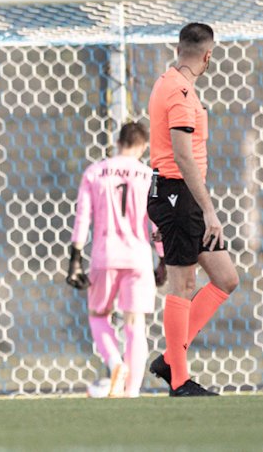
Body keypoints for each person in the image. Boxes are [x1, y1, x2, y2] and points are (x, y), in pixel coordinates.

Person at [145, 22, 240, 397]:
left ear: (178, 48)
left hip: (177, 196)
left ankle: (171, 359)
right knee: (183, 285)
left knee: (226, 278)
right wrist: (209, 211)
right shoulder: (181, 93)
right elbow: (182, 157)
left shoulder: (167, 82)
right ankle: (180, 380)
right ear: (208, 55)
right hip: (178, 193)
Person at [66, 122, 166, 398]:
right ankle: (131, 392)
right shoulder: (149, 176)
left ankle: (114, 363)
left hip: (105, 255)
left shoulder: (94, 172)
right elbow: (156, 222)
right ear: (143, 147)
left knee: (98, 315)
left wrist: (75, 259)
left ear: (118, 142)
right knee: (135, 324)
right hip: (138, 257)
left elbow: (82, 218)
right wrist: (162, 258)